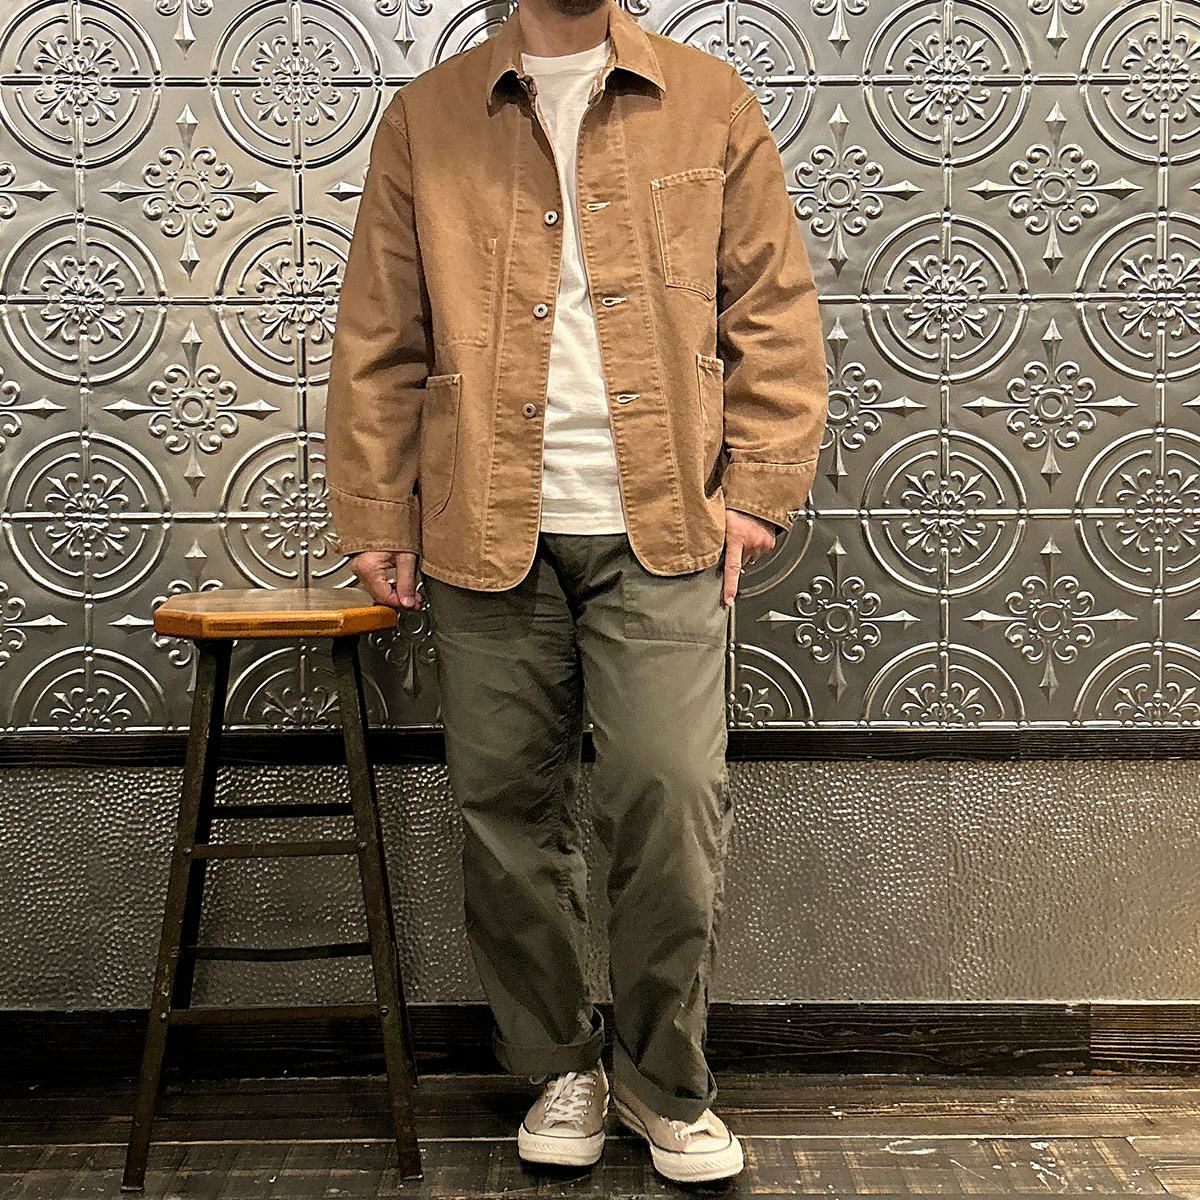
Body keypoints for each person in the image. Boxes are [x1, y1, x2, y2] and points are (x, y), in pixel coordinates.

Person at [324, 0, 828, 1182]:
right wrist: (377, 510)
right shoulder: (428, 115)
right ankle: (560, 1065)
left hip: (664, 525)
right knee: (505, 813)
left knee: (668, 795)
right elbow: (382, 330)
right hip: (483, 523)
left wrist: (758, 489)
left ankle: (663, 1081)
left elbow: (772, 306)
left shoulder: (708, 100)